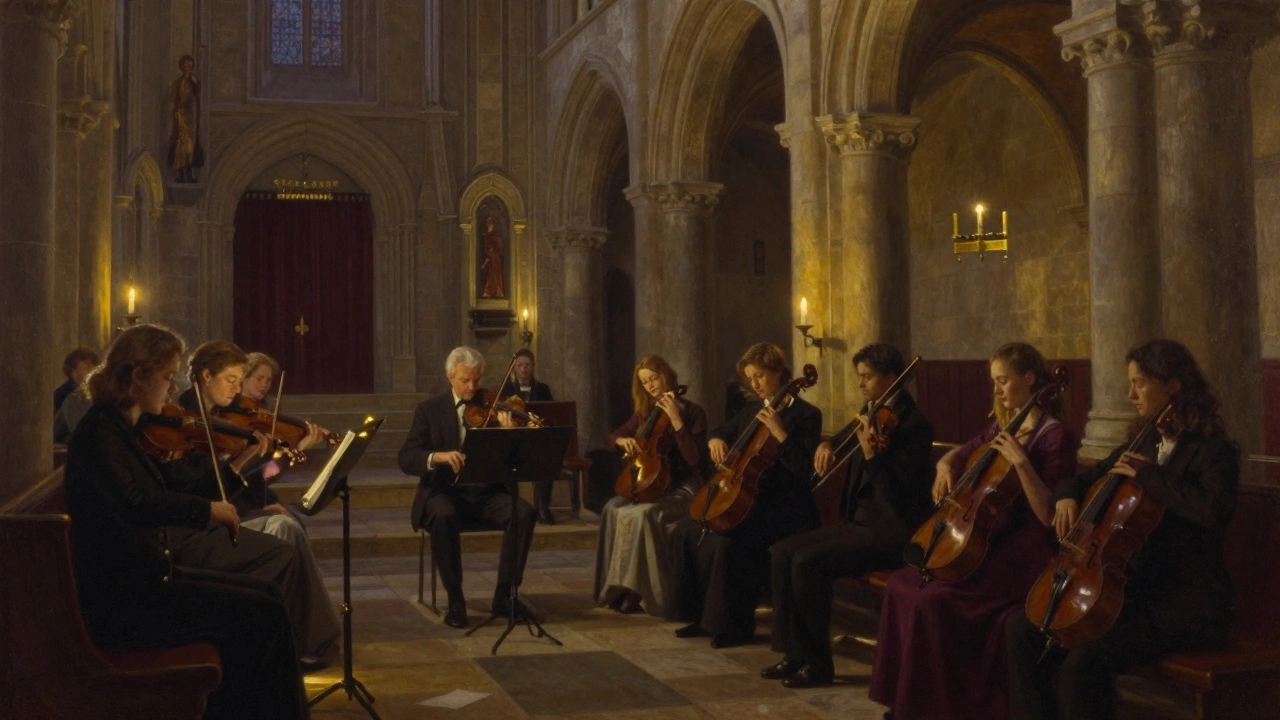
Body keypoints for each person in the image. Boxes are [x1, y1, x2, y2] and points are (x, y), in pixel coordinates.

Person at [63, 324, 305, 719]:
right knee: (263, 615)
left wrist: (234, 470)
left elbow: (174, 483)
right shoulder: (100, 430)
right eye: (166, 376)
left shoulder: (120, 428)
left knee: (269, 597)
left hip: (151, 578)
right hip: (128, 601)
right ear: (138, 376)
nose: (173, 388)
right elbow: (138, 500)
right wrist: (207, 511)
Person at [1006, 339, 1238, 720]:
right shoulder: (1144, 441)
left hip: (1183, 604)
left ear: (1173, 386)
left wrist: (1151, 476)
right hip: (1129, 594)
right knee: (1021, 629)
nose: (1130, 394)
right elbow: (1081, 481)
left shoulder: (1213, 451)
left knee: (1081, 661)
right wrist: (1065, 497)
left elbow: (1212, 512)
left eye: (1140, 383)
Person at [868, 341, 1078, 720]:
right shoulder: (1003, 424)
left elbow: (1048, 515)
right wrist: (944, 467)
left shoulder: (1055, 436)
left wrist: (1022, 464)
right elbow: (959, 453)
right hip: (990, 539)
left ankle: (940, 707)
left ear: (1030, 379)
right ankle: (908, 703)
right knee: (903, 584)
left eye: (1003, 381)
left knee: (932, 600)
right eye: (993, 381)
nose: (996, 390)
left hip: (1026, 551)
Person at [762, 343, 934, 688]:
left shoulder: (914, 424)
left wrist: (873, 455)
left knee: (807, 561)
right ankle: (794, 652)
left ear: (890, 377)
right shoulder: (871, 410)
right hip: (860, 523)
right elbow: (841, 442)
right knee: (781, 552)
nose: (861, 384)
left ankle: (818, 664)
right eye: (859, 377)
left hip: (893, 529)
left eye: (867, 377)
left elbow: (898, 493)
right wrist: (827, 445)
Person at [162, 340, 340, 664]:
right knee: (286, 530)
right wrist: (250, 479)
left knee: (289, 525)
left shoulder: (227, 415)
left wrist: (275, 462)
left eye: (265, 380)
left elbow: (260, 476)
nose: (255, 387)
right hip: (208, 522)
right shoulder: (185, 420)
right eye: (242, 379)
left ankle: (311, 638)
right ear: (206, 376)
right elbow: (206, 488)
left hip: (233, 509)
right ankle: (298, 642)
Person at [665, 342, 822, 648]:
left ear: (778, 373)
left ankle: (732, 626)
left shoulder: (806, 415)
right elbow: (722, 431)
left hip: (782, 504)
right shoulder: (752, 409)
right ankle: (698, 617)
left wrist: (779, 432)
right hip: (749, 499)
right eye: (750, 377)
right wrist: (714, 441)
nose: (754, 383)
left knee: (726, 542)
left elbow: (803, 468)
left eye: (760, 375)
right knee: (687, 529)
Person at [399, 346, 537, 629]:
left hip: (487, 493)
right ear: (450, 376)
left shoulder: (493, 406)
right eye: (465, 380)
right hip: (444, 492)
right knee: (443, 515)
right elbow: (407, 456)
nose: (472, 387)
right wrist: (437, 456)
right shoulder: (429, 410)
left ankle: (505, 595)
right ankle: (456, 598)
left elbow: (516, 462)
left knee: (523, 514)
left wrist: (510, 437)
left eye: (476, 380)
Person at [593, 356, 708, 616]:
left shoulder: (692, 412)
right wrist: (623, 441)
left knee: (643, 514)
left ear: (665, 376)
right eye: (645, 382)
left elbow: (694, 459)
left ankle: (641, 591)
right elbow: (611, 437)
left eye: (653, 378)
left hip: (683, 486)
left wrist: (677, 420)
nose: (650, 385)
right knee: (612, 507)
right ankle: (617, 588)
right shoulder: (646, 412)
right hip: (654, 484)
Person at [500, 349, 558, 524]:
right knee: (505, 459)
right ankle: (512, 507)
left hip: (537, 439)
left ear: (533, 367)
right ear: (514, 368)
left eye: (527, 365)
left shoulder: (542, 388)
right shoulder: (507, 388)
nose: (523, 369)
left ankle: (542, 507)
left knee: (547, 459)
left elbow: (550, 414)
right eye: (520, 365)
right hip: (514, 439)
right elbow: (501, 414)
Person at [167, 52, 203, 183]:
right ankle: (181, 172)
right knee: (182, 142)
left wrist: (198, 80)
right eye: (185, 65)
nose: (188, 67)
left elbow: (197, 94)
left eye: (190, 65)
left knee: (191, 144)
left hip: (190, 115)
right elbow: (172, 98)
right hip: (181, 113)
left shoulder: (192, 82)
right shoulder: (178, 82)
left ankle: (189, 172)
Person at [55, 346, 99, 413]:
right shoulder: (62, 395)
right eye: (86, 364)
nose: (91, 368)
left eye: (93, 364)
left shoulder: (97, 391)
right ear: (73, 370)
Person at [480, 217, 505, 298]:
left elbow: (498, 248)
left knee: (493, 275)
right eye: (488, 224)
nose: (490, 225)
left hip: (494, 259)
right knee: (488, 274)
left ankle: (491, 291)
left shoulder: (496, 236)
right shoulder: (485, 235)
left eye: (491, 224)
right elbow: (484, 248)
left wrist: (491, 254)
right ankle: (490, 291)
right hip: (488, 258)